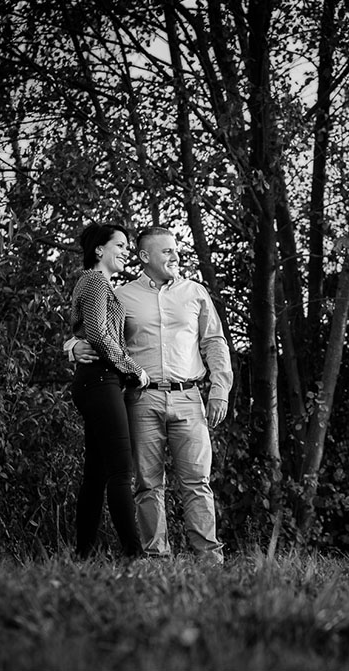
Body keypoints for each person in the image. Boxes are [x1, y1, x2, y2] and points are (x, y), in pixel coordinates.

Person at [69, 226, 232, 564]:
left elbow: (214, 342)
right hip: (141, 398)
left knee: (197, 482)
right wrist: (72, 346)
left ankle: (209, 561)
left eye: (176, 250)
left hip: (189, 397)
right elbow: (94, 330)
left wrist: (220, 389)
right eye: (167, 251)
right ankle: (156, 561)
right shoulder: (121, 294)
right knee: (146, 484)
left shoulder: (195, 292)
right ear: (145, 257)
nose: (175, 256)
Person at [69, 223, 148, 559]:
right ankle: (134, 554)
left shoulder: (94, 283)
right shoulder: (96, 281)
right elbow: (100, 337)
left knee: (96, 475)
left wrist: (72, 344)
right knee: (121, 472)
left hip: (95, 380)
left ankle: (82, 555)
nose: (126, 251)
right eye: (120, 245)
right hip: (101, 380)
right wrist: (134, 370)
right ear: (99, 249)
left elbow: (90, 332)